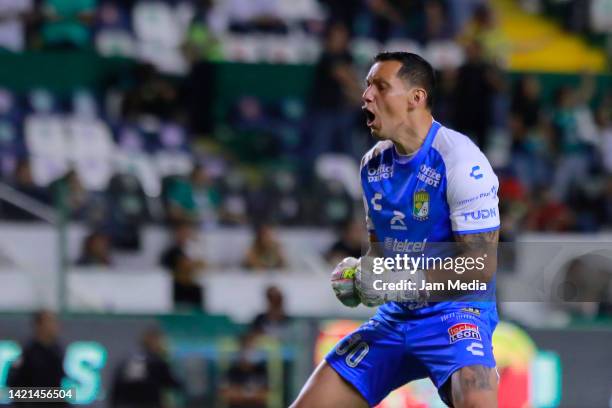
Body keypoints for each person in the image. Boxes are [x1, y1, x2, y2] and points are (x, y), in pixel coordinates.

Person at [292, 52, 500, 407]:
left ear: (415, 98)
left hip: (455, 314)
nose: (366, 95)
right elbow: (379, 254)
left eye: (380, 86)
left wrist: (400, 282)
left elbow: (480, 267)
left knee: (478, 401)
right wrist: (360, 277)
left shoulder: (461, 160)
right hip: (395, 318)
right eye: (367, 86)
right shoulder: (373, 165)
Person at [111, 327, 183, 408]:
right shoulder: (157, 362)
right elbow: (174, 384)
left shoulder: (126, 360)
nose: (165, 345)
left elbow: (115, 390)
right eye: (163, 342)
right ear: (155, 342)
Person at [7, 310, 67, 407]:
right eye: (49, 322)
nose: (54, 326)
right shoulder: (28, 353)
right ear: (39, 326)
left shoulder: (56, 352)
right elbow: (15, 388)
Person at [219, 331, 269, 408]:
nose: (251, 351)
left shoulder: (261, 371)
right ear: (241, 349)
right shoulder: (231, 371)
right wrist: (252, 393)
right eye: (248, 347)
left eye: (253, 347)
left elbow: (264, 395)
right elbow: (227, 394)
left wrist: (240, 393)